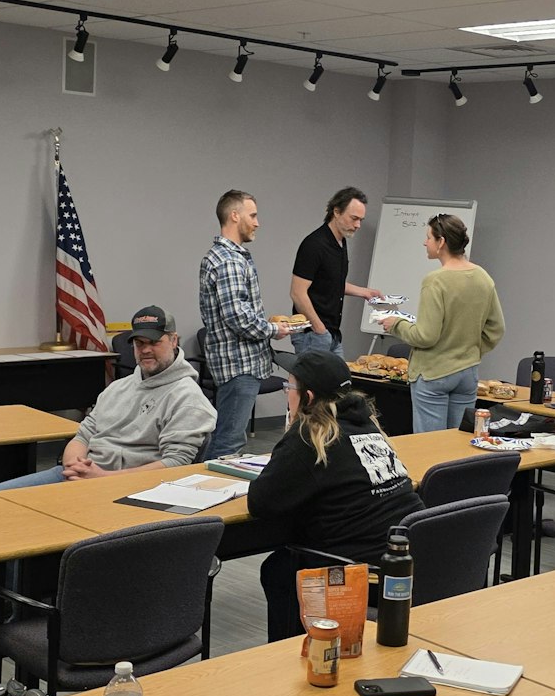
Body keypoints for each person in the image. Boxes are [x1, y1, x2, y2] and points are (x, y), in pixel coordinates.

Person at [247, 349, 423, 642]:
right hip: (409, 558)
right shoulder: (368, 425)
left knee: (278, 569)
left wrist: (289, 433)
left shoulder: (310, 436)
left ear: (309, 397)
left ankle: (284, 660)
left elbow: (260, 502)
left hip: (366, 572)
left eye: (289, 388)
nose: (287, 394)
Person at [0, 306, 215, 490]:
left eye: (154, 342)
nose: (145, 350)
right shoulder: (118, 388)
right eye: (139, 344)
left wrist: (103, 478)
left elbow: (175, 464)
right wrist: (75, 467)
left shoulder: (188, 398)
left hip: (130, 487)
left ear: (174, 341)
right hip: (81, 477)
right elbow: (83, 435)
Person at [376, 214, 503, 433]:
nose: (425, 243)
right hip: (467, 373)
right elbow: (496, 328)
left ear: (441, 242)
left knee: (431, 447)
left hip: (434, 373)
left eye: (428, 237)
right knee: (459, 444)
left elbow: (426, 336)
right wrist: (470, 351)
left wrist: (396, 324)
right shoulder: (483, 277)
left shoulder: (435, 280)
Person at [199, 190, 286, 460]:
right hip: (239, 366)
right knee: (229, 443)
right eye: (253, 215)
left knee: (227, 436)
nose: (257, 222)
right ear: (235, 216)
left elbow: (239, 310)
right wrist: (275, 330)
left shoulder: (229, 257)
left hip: (239, 364)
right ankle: (209, 494)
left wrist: (267, 322)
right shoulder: (228, 261)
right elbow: (238, 318)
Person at [289, 187, 383, 358]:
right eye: (354, 218)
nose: (358, 225)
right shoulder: (314, 245)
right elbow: (297, 293)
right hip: (312, 334)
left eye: (361, 220)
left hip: (331, 334)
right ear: (337, 212)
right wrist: (319, 328)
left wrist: (365, 292)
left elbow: (331, 282)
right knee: (314, 384)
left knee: (339, 383)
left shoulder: (340, 243)